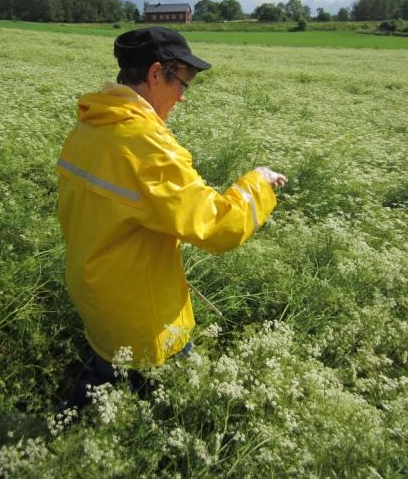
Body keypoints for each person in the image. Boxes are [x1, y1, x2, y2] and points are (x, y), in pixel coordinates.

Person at [56, 27, 287, 408]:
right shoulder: (146, 146)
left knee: (102, 374)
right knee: (180, 402)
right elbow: (216, 227)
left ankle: (60, 445)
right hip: (144, 313)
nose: (182, 95)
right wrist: (258, 184)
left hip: (93, 290)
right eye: (183, 82)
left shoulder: (89, 127)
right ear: (155, 73)